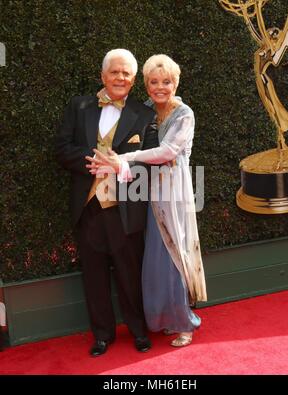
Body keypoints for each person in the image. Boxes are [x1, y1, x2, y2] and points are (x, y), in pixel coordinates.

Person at [87, 54, 207, 347]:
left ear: (175, 83)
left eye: (166, 81)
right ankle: (166, 318)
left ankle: (184, 324)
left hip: (174, 196)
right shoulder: (148, 110)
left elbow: (166, 152)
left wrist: (122, 159)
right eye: (154, 82)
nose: (160, 87)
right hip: (146, 195)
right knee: (156, 261)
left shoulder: (184, 114)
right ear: (146, 85)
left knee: (176, 259)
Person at [55, 49, 158, 356]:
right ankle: (102, 335)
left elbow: (150, 162)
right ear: (103, 75)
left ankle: (139, 330)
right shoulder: (79, 106)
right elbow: (61, 147)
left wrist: (120, 166)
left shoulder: (145, 114)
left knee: (130, 273)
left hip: (125, 208)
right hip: (88, 208)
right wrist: (89, 162)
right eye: (115, 72)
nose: (120, 78)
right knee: (94, 274)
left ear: (133, 79)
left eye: (126, 73)